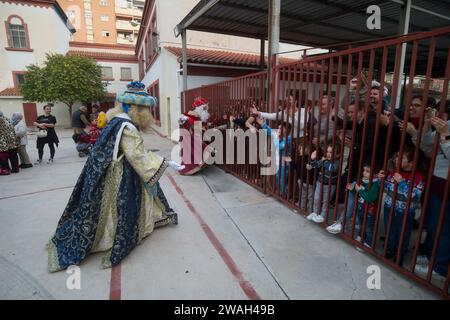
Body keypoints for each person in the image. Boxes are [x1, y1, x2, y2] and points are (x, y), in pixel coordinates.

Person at [47, 81, 184, 272]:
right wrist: (166, 162)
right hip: (121, 172)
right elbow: (137, 156)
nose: (148, 113)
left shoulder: (116, 119)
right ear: (135, 108)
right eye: (145, 108)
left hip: (107, 168)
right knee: (122, 205)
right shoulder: (128, 127)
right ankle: (116, 235)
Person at [413, 113, 450, 281]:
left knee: (444, 229)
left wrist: (446, 135)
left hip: (446, 185)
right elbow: (427, 142)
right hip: (437, 182)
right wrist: (428, 123)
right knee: (434, 224)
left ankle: (440, 268)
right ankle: (431, 257)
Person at [379, 147, 425, 265]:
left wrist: (402, 183)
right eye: (396, 156)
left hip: (405, 212)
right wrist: (381, 180)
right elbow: (386, 189)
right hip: (389, 207)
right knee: (390, 229)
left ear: (411, 163)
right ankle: (390, 250)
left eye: (401, 157)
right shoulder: (393, 172)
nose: (396, 159)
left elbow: (414, 196)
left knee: (403, 233)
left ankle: (400, 254)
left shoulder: (418, 178)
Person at [327, 163, 380, 245]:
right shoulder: (363, 181)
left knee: (369, 228)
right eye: (364, 170)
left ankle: (368, 243)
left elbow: (370, 198)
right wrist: (351, 189)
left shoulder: (375, 185)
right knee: (361, 224)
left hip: (370, 211)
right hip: (361, 208)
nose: (364, 173)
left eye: (367, 171)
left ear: (375, 174)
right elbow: (356, 192)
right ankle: (360, 236)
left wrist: (359, 190)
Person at [306, 144, 341, 223]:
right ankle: (315, 212)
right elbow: (317, 164)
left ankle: (323, 215)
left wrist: (323, 161)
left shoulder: (337, 162)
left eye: (331, 152)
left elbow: (332, 168)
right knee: (316, 198)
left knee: (326, 200)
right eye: (327, 152)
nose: (328, 154)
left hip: (330, 185)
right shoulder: (325, 160)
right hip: (320, 182)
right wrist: (311, 164)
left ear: (338, 154)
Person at [178, 97, 210, 175]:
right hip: (188, 137)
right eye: (204, 108)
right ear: (199, 108)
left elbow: (198, 127)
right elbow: (181, 122)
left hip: (195, 136)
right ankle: (190, 168)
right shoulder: (188, 115)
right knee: (191, 152)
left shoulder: (198, 116)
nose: (205, 110)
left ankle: (199, 165)